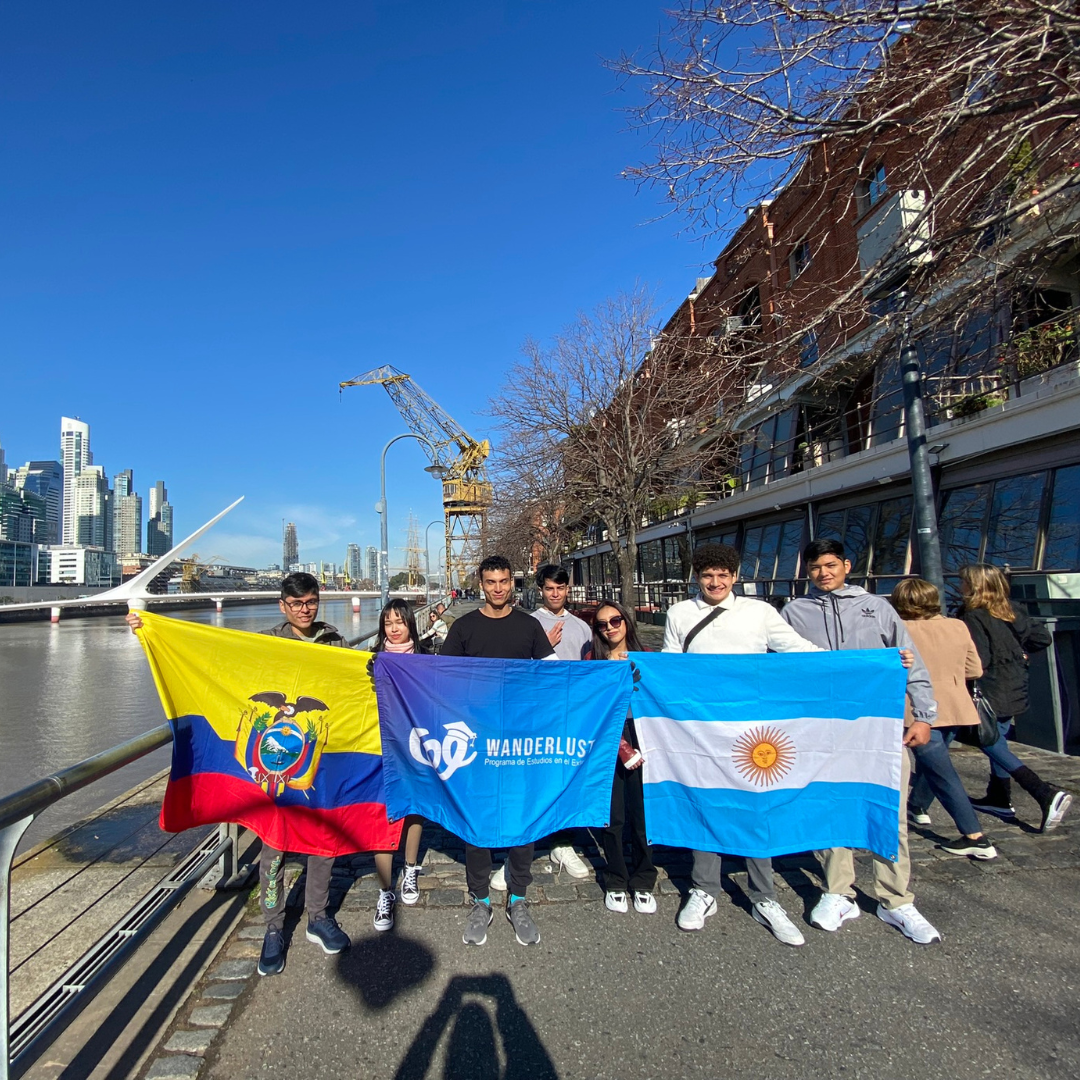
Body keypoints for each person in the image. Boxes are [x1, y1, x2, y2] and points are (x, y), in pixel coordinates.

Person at [126, 572, 352, 977]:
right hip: (276, 762)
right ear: (282, 605)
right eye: (297, 603)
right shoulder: (263, 642)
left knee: (323, 840)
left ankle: (318, 916)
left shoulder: (334, 640)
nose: (306, 610)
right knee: (274, 846)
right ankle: (273, 927)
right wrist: (151, 631)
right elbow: (215, 657)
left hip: (320, 759)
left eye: (312, 602)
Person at [782, 540, 941, 945]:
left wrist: (924, 716)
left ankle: (896, 899)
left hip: (878, 729)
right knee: (831, 808)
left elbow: (911, 659)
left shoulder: (878, 607)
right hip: (822, 732)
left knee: (889, 809)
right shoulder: (793, 612)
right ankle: (839, 892)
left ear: (847, 566)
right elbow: (777, 669)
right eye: (816, 567)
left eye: (831, 565)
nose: (824, 573)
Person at [663, 543, 821, 946]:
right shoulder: (681, 613)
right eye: (707, 575)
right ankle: (704, 889)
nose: (715, 583)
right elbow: (671, 665)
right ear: (696, 577)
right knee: (704, 803)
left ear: (734, 577)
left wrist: (867, 662)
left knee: (754, 808)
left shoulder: (760, 613)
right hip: (699, 728)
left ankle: (763, 896)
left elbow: (799, 651)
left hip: (751, 731)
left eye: (722, 575)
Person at [440, 554, 557, 947]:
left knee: (522, 817)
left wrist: (613, 676)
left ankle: (518, 898)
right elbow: (440, 681)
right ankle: (480, 900)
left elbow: (556, 678)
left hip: (520, 739)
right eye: (490, 582)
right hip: (477, 742)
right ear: (481, 584)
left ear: (512, 583)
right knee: (477, 821)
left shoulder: (530, 626)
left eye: (504, 581)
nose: (498, 588)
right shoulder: (463, 628)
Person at [957, 563, 1071, 832]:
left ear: (974, 586)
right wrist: (1019, 651)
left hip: (990, 688)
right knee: (999, 738)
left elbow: (980, 659)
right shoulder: (1013, 609)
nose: (960, 586)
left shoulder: (973, 616)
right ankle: (998, 796)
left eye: (964, 582)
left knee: (988, 741)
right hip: (1016, 684)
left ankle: (1043, 792)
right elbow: (1042, 638)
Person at [889, 578, 997, 859]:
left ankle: (975, 835)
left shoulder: (899, 629)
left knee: (942, 772)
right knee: (934, 764)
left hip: (916, 708)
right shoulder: (957, 625)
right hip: (954, 705)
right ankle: (919, 807)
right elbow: (974, 668)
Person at [590, 599, 658, 915]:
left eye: (615, 621)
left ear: (626, 620)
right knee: (613, 814)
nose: (609, 628)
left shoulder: (648, 658)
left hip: (645, 733)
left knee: (642, 813)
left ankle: (644, 878)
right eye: (602, 624)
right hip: (609, 740)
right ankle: (616, 878)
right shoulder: (593, 660)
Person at [526, 563, 594, 880]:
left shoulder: (582, 627)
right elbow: (520, 671)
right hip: (541, 712)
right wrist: (543, 648)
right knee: (540, 774)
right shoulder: (529, 624)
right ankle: (529, 840)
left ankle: (564, 840)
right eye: (550, 588)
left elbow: (591, 669)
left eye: (561, 588)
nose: (556, 594)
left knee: (570, 775)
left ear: (568, 589)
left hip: (574, 712)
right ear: (542, 590)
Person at [369, 599, 429, 930]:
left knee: (415, 806)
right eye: (388, 622)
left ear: (410, 625)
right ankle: (385, 888)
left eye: (400, 622)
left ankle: (410, 869)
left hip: (414, 742)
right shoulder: (372, 657)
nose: (394, 628)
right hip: (380, 743)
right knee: (383, 811)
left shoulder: (424, 657)